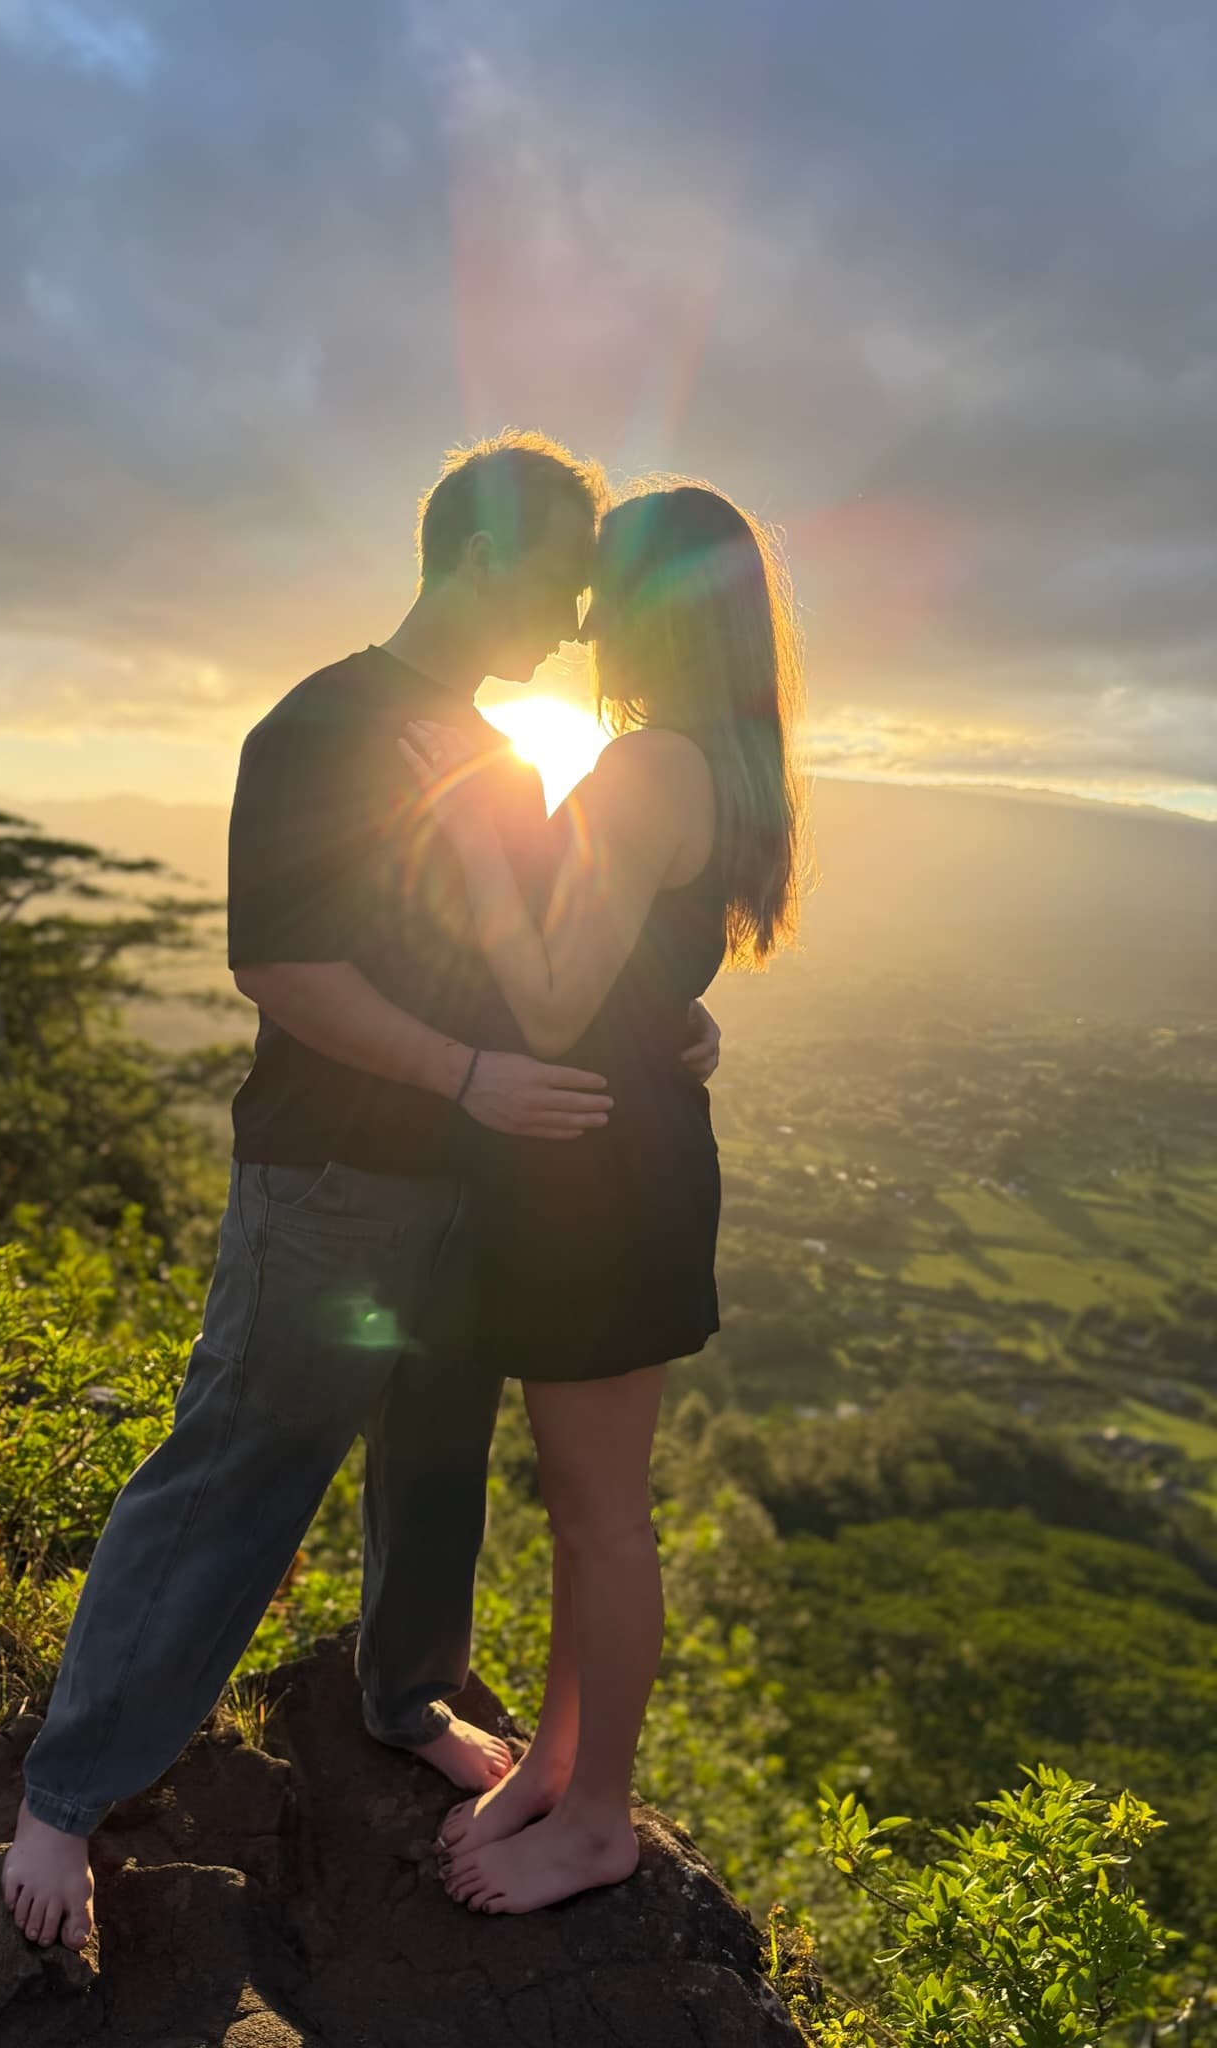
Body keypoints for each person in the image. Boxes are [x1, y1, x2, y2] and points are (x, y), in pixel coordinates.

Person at [1, 431, 724, 1949]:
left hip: (486, 1187)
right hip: (337, 1173)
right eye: (560, 578)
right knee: (242, 1461)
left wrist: (667, 1022)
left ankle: (404, 1696)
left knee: (436, 1463)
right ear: (471, 555)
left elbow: (554, 959)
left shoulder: (502, 749)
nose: (579, 620)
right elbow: (279, 965)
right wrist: (463, 1077)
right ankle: (68, 1793)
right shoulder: (323, 724)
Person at [396, 480, 806, 1915]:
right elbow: (647, 985)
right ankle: (557, 1766)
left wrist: (468, 831)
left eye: (598, 591)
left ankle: (602, 1817)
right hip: (613, 1155)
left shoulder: (646, 769)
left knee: (602, 1508)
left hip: (597, 1172)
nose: (575, 618)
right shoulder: (721, 763)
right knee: (580, 1502)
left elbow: (559, 989)